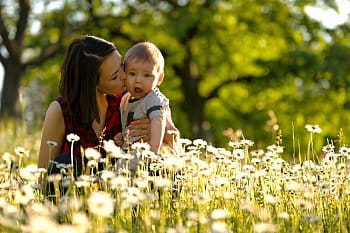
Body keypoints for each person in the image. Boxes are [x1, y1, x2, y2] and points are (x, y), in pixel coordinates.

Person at [37, 35, 178, 177]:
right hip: (77, 192)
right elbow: (43, 174)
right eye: (115, 76)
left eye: (122, 66)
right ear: (92, 84)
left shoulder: (132, 100)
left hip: (126, 186)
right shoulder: (61, 111)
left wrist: (160, 132)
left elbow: (175, 145)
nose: (125, 76)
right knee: (67, 162)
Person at [116, 42, 177, 154]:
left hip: (149, 153)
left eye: (147, 75)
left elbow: (158, 123)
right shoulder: (125, 99)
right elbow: (129, 126)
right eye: (132, 73)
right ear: (124, 73)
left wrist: (153, 151)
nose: (138, 80)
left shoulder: (154, 100)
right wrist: (123, 136)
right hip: (131, 152)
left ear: (159, 79)